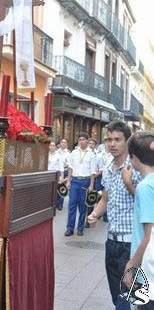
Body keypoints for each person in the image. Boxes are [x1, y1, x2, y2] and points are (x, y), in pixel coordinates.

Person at [88, 120, 141, 310]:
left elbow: (147, 204)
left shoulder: (136, 167)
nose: (112, 144)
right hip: (111, 241)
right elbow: (106, 198)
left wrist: (129, 185)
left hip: (131, 243)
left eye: (117, 139)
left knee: (127, 298)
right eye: (109, 139)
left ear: (127, 141)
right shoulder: (108, 165)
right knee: (116, 295)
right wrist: (94, 214)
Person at [123, 132, 154, 310]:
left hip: (147, 270)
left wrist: (130, 265)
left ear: (134, 158)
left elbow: (149, 235)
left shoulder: (145, 186)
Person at [64, 132, 96, 237]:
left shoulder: (92, 154)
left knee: (83, 206)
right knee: (72, 205)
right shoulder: (74, 152)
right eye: (80, 139)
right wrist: (68, 181)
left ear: (87, 140)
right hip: (75, 181)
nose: (82, 141)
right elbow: (70, 168)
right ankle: (70, 228)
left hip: (85, 181)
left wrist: (91, 185)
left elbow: (92, 171)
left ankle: (80, 228)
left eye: (83, 139)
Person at [56, 138, 71, 210]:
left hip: (65, 171)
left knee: (62, 187)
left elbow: (69, 164)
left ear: (67, 144)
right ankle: (55, 202)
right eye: (62, 142)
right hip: (57, 171)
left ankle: (60, 204)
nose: (63, 143)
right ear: (60, 144)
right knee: (56, 187)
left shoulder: (68, 153)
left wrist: (62, 166)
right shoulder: (56, 152)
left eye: (65, 142)